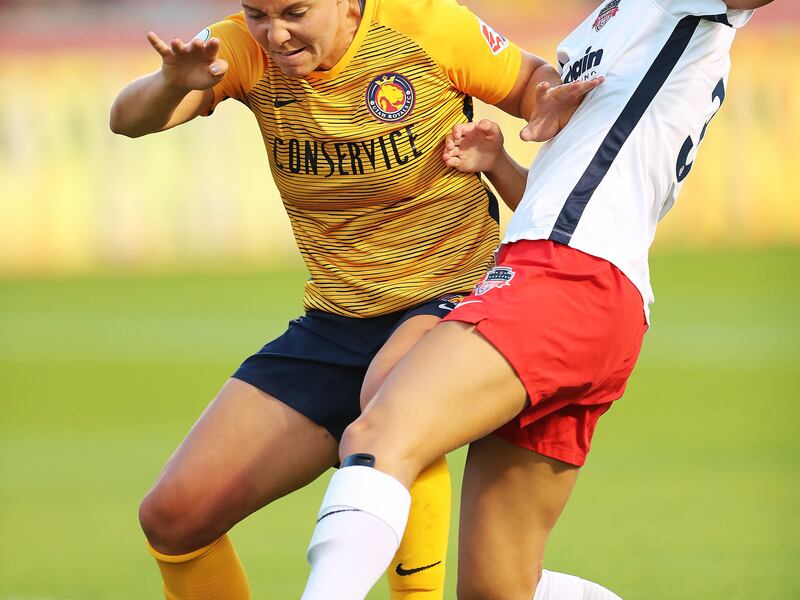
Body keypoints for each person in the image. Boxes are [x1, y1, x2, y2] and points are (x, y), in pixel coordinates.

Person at [109, 0, 609, 598]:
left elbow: (530, 82)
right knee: (173, 517)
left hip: (456, 297)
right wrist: (170, 84)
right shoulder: (240, 47)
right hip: (335, 318)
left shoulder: (424, 25)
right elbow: (127, 119)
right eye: (258, 12)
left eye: (294, 12)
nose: (275, 32)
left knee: (389, 401)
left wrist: (543, 101)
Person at [300, 0, 776, 599]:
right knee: (500, 590)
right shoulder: (611, 18)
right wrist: (500, 164)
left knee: (378, 433)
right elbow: (571, 193)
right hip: (581, 284)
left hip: (568, 280)